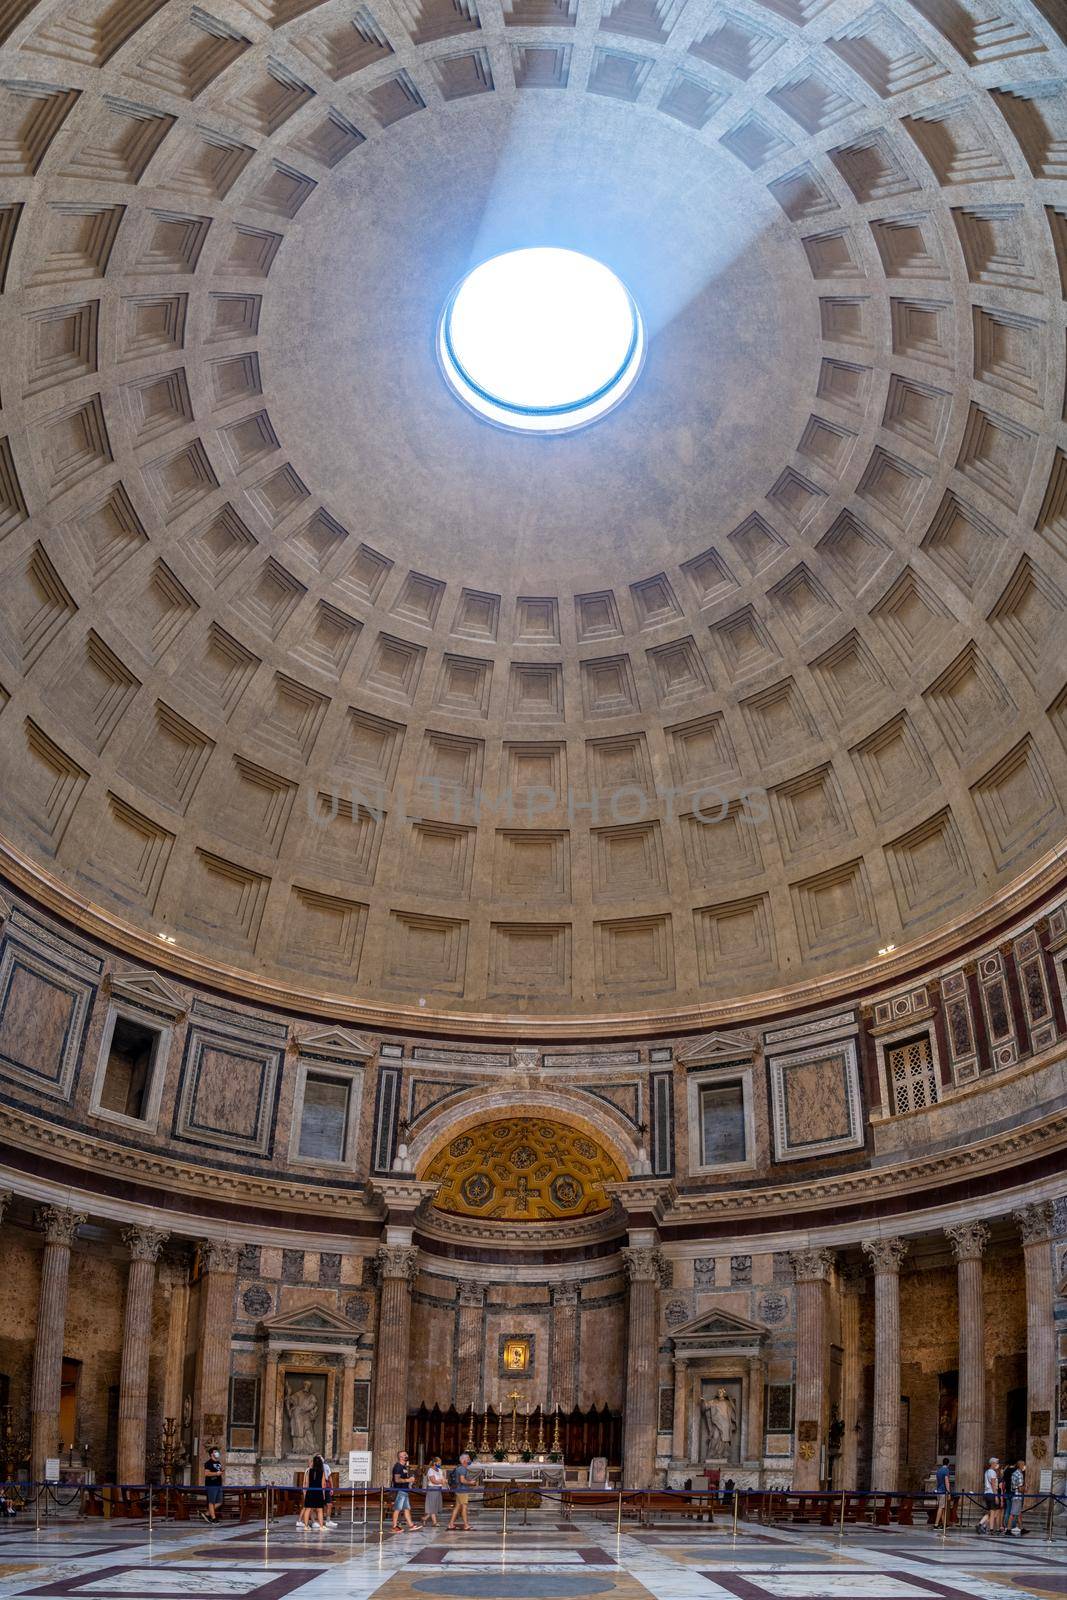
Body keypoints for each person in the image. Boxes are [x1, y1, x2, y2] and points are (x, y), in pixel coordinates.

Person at [446, 1452, 475, 1532]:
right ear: (463, 1460)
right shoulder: (462, 1468)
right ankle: (466, 1525)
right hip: (462, 1490)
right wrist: (471, 1483)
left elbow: (461, 1479)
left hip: (459, 1490)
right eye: (468, 1458)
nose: (469, 1460)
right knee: (464, 1508)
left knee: (457, 1508)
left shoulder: (459, 1468)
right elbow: (462, 1480)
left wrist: (468, 1481)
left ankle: (451, 1524)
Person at [299, 1453, 327, 1531]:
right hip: (318, 1492)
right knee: (320, 1510)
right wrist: (323, 1494)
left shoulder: (309, 1471)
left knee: (308, 1509)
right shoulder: (322, 1472)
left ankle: (305, 1526)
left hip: (310, 1491)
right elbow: (323, 1484)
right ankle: (321, 1527)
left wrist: (306, 1492)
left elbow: (307, 1483)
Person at [391, 1451, 416, 1532]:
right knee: (397, 1509)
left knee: (406, 1508)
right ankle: (394, 1526)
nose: (407, 1455)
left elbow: (403, 1478)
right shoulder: (398, 1467)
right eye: (405, 1455)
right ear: (400, 1457)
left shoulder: (404, 1467)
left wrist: (409, 1481)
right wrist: (408, 1480)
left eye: (406, 1454)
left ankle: (411, 1525)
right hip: (399, 1490)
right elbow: (397, 1480)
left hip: (404, 1491)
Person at [977, 1457, 1000, 1534]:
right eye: (996, 1463)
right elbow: (993, 1484)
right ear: (992, 1463)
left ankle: (981, 1524)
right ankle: (991, 1530)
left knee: (990, 1512)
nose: (997, 1465)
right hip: (991, 1493)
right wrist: (996, 1495)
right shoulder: (993, 1472)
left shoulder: (986, 1472)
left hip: (986, 1493)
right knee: (993, 1513)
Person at [1003, 1459, 1025, 1535]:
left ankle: (1021, 1528)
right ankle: (1008, 1530)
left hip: (1014, 1495)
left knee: (1018, 1513)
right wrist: (1025, 1488)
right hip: (1017, 1496)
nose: (1024, 1466)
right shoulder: (1019, 1474)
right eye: (1023, 1465)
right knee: (1012, 1513)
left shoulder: (1014, 1473)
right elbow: (1020, 1488)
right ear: (1021, 1465)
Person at [201, 1447, 223, 1523]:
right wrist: (216, 1473)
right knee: (211, 1502)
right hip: (211, 1485)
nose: (217, 1453)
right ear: (211, 1454)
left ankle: (207, 1514)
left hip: (218, 1484)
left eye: (217, 1451)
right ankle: (213, 1518)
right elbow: (206, 1473)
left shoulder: (218, 1463)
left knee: (220, 1502)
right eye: (215, 1452)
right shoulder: (208, 1463)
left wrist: (219, 1473)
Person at [422, 1457, 446, 1527]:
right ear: (434, 1462)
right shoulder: (430, 1470)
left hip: (439, 1488)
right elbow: (433, 1481)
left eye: (440, 1462)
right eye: (439, 1462)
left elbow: (442, 1479)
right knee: (432, 1505)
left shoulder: (440, 1470)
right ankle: (433, 1522)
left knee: (435, 1505)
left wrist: (444, 1481)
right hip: (432, 1488)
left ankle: (425, 1519)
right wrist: (441, 1481)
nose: (440, 1463)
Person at [934, 1457, 952, 1528]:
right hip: (943, 1491)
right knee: (941, 1507)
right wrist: (949, 1492)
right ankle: (936, 1524)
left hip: (938, 1491)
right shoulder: (946, 1470)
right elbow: (946, 1481)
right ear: (948, 1464)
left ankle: (944, 1524)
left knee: (942, 1508)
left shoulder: (939, 1470)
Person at [321, 1458, 337, 1528]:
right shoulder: (314, 1467)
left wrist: (331, 1488)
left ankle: (328, 1521)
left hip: (326, 1487)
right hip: (318, 1487)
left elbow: (330, 1477)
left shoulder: (326, 1466)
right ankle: (318, 1521)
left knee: (329, 1504)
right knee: (318, 1506)